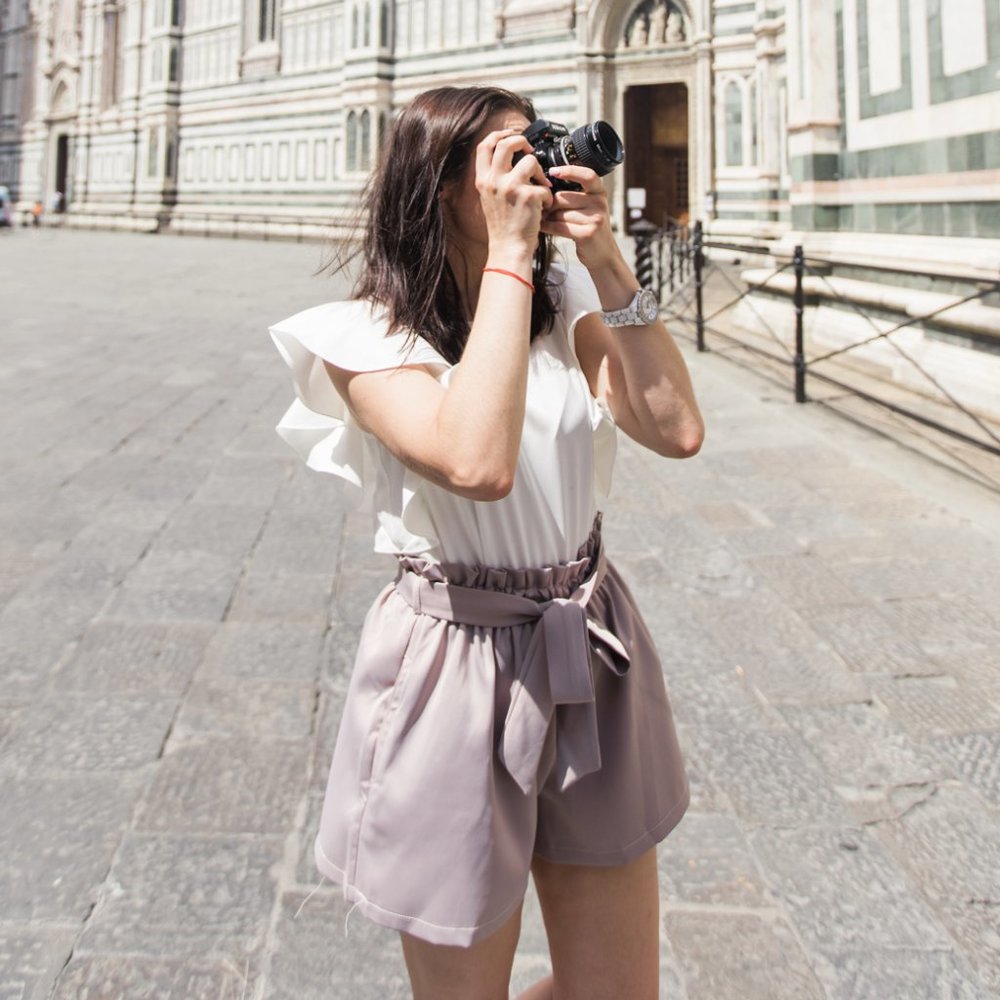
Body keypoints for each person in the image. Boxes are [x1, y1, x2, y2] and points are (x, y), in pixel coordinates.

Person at [270, 86, 704, 1000]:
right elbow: (476, 462)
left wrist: (606, 262)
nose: (533, 174)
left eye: (535, 150)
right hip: (455, 664)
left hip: (589, 642)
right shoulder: (363, 339)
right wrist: (510, 257)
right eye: (509, 158)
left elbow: (676, 431)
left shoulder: (564, 299)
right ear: (438, 186)